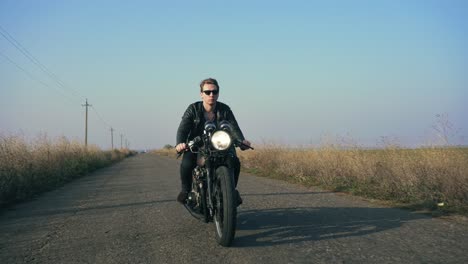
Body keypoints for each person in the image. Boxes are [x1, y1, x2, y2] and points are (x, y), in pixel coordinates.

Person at [175, 78, 251, 205]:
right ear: (201, 94)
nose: (211, 95)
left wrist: (241, 141)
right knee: (187, 164)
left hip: (220, 145)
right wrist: (180, 143)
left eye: (214, 92)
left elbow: (234, 128)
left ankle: (231, 191)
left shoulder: (225, 109)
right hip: (198, 145)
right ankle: (186, 191)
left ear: (218, 93)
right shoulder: (193, 109)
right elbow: (183, 129)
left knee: (235, 162)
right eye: (207, 92)